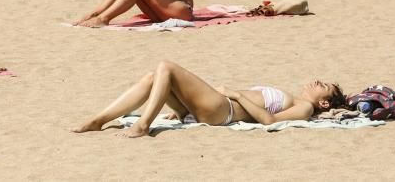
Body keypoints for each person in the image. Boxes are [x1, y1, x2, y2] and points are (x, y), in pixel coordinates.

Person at [72, 63, 345, 137]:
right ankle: (99, 120)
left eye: (324, 86)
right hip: (215, 105)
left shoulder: (305, 107)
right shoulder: (296, 97)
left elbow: (269, 121)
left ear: (324, 103)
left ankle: (143, 125)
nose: (317, 82)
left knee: (166, 66)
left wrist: (237, 94)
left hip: (223, 110)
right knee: (153, 77)